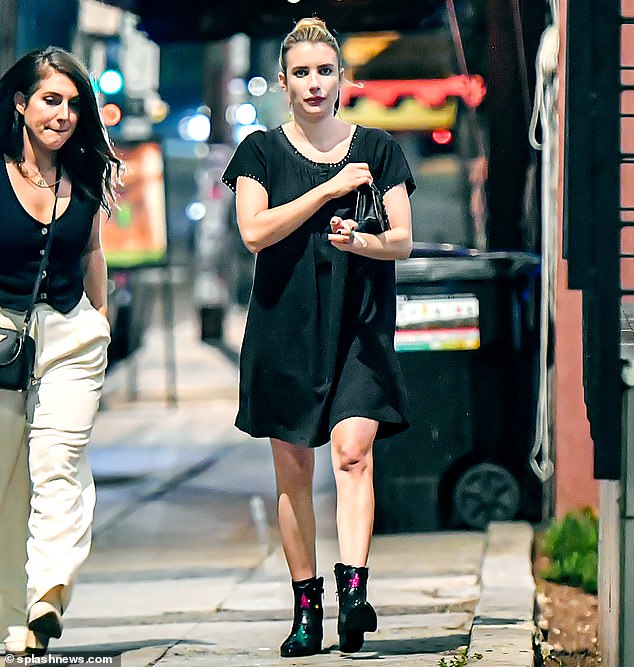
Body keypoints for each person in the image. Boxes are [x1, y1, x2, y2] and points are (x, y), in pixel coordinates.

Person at [222, 17, 415, 657]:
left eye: (324, 71)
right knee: (294, 469)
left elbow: (403, 241)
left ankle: (355, 598)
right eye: (301, 72)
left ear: (342, 79)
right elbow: (255, 231)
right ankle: (308, 609)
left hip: (356, 322)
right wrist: (330, 189)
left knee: (354, 451)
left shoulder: (380, 150)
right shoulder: (260, 151)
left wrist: (362, 240)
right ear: (283, 82)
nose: (313, 83)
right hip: (284, 326)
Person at [0, 46, 120, 656]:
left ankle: (47, 595)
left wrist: (99, 319)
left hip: (72, 337)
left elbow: (92, 251)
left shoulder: (86, 172)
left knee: (58, 467)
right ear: (21, 104)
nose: (64, 114)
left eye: (74, 104)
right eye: (51, 100)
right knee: (4, 481)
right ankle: (12, 620)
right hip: (1, 337)